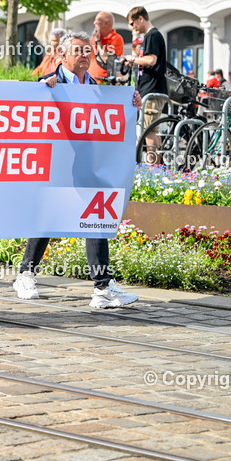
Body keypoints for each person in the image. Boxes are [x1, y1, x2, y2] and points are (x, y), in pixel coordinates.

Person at [13, 31, 141, 308]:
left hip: (86, 166)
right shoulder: (46, 86)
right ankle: (26, 273)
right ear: (62, 55)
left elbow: (110, 122)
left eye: (87, 51)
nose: (85, 55)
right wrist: (42, 92)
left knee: (97, 219)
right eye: (78, 51)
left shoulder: (98, 88)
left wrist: (131, 106)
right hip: (54, 167)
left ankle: (102, 288)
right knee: (47, 218)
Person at [124, 6, 167, 157]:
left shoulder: (152, 36)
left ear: (140, 18)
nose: (132, 28)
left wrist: (133, 59)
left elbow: (151, 60)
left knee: (147, 130)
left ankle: (153, 166)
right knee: (152, 129)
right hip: (151, 88)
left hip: (152, 89)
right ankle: (158, 165)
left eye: (132, 23)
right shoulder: (152, 36)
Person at [90, 12, 125, 84]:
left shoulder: (116, 38)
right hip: (91, 81)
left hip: (106, 82)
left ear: (107, 23)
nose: (94, 22)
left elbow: (107, 59)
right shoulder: (93, 39)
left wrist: (98, 42)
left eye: (98, 20)